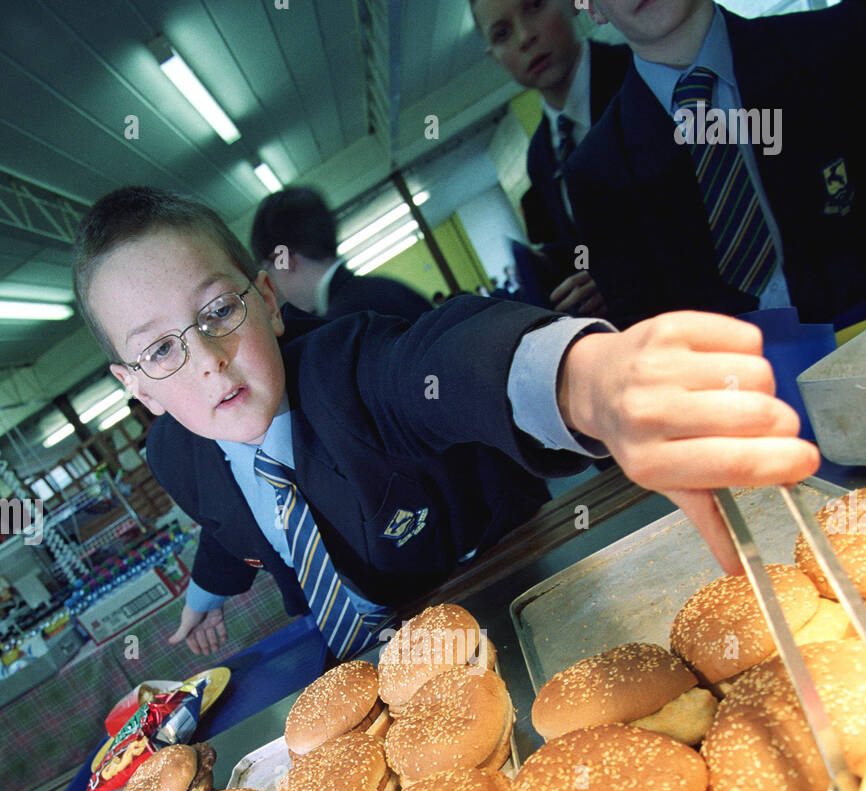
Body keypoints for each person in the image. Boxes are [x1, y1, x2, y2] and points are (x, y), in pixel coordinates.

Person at [72, 186, 818, 657]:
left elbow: (437, 360)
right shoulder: (177, 452)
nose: (207, 361)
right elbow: (225, 517)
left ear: (267, 299)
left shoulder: (344, 370)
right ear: (135, 388)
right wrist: (206, 592)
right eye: (161, 350)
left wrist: (583, 382)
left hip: (497, 580)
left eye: (218, 312)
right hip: (365, 664)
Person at [563, 0, 866, 329]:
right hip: (736, 376)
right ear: (593, 9)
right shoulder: (596, 174)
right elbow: (651, 337)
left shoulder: (842, 41)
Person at [473, 0, 630, 314]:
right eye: (502, 34)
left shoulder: (637, 76)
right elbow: (587, 245)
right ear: (495, 57)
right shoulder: (540, 156)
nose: (524, 38)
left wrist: (620, 277)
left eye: (534, 6)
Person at [250, 186, 431, 324]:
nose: (275, 285)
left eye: (270, 270)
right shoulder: (386, 287)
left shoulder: (343, 323)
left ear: (283, 259)